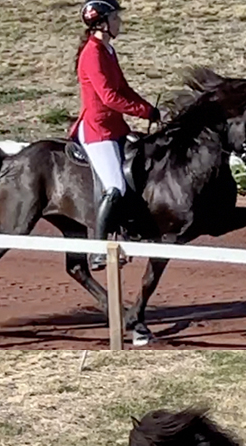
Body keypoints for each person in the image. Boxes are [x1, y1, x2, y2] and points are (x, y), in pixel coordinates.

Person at [68, 0, 162, 271]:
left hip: (116, 127)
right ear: (102, 24)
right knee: (115, 187)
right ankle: (98, 251)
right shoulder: (92, 54)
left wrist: (151, 109)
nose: (119, 22)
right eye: (116, 18)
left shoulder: (108, 50)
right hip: (98, 130)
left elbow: (124, 88)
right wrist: (142, 112)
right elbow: (109, 97)